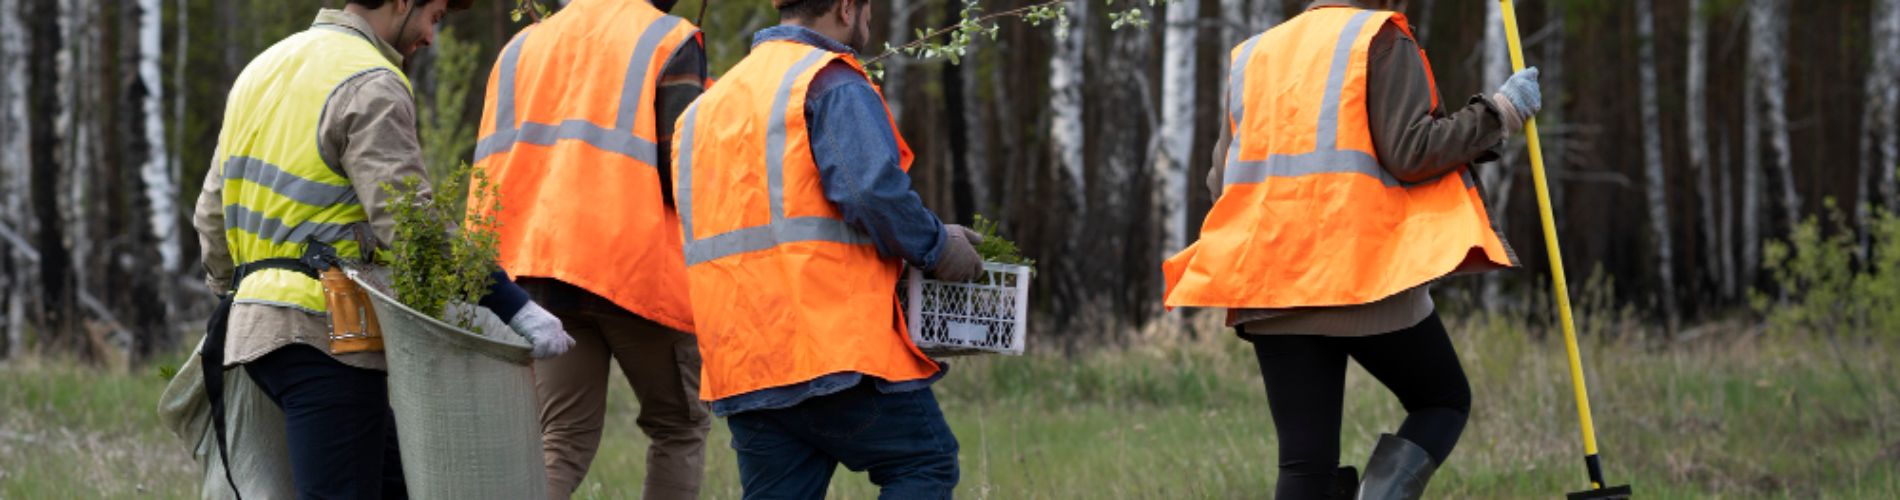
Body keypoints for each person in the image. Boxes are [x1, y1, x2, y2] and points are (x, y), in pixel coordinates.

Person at [189, 0, 574, 497]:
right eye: (434, 16)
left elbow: (210, 215)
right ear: (399, 2)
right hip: (326, 334)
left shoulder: (261, 70)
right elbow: (412, 229)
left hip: (256, 334)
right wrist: (514, 307)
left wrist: (237, 296)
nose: (432, 38)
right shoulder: (369, 80)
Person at [1162, 1, 1542, 498]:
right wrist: (1501, 113)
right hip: (1360, 274)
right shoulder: (1378, 36)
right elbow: (1412, 151)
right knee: (1442, 400)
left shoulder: (1254, 53)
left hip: (1270, 282)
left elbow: (1222, 182)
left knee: (1304, 467)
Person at [669, 0, 989, 496]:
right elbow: (872, 194)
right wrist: (936, 246)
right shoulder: (829, 80)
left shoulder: (704, 109)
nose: (870, 19)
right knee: (924, 462)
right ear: (845, 8)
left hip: (743, 359)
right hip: (827, 345)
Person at [470, 0, 710, 497]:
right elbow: (682, 175)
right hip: (635, 266)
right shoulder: (667, 38)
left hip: (536, 270)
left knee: (561, 438)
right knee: (678, 428)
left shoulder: (522, 46)